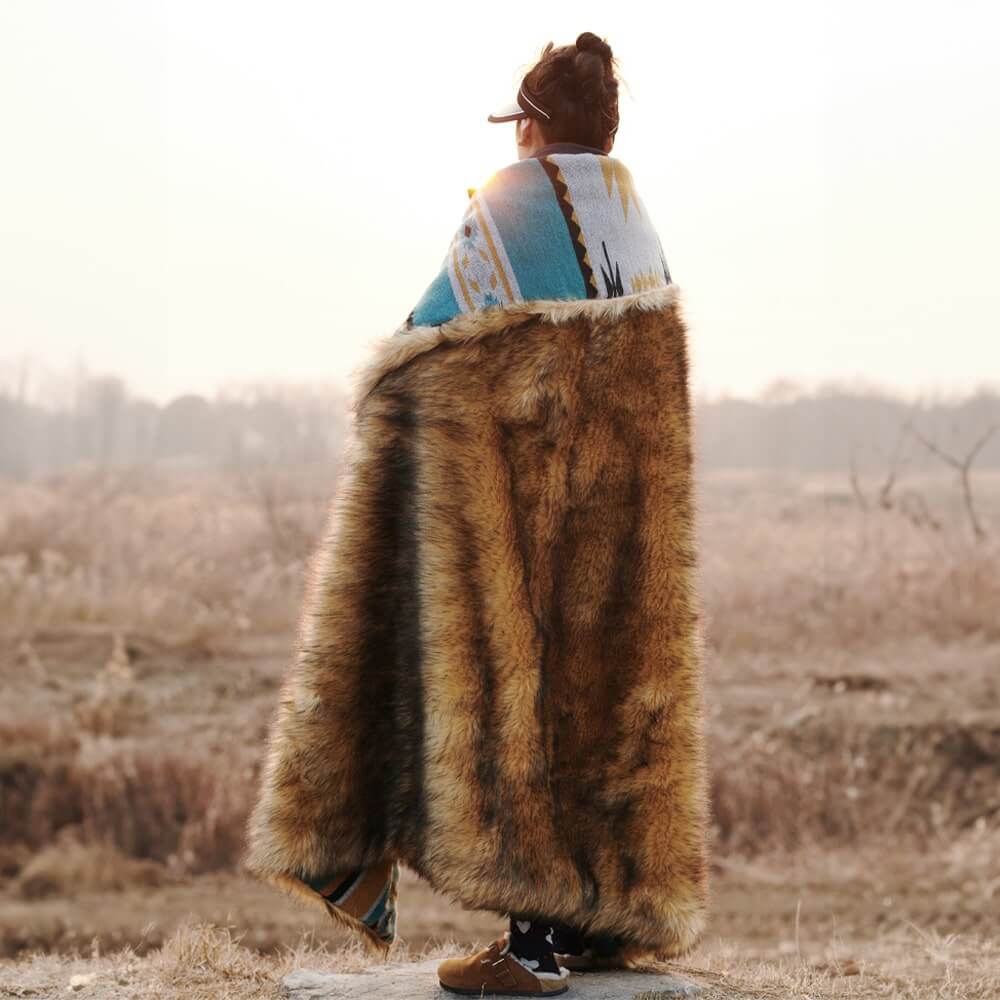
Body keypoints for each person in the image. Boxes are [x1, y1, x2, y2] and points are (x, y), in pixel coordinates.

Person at [245, 29, 707, 1000]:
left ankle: (529, 951)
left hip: (509, 504)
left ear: (532, 126)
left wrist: (388, 408)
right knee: (594, 707)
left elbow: (432, 337)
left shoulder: (510, 205)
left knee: (511, 708)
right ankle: (592, 920)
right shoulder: (635, 219)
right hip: (616, 525)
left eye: (519, 124)